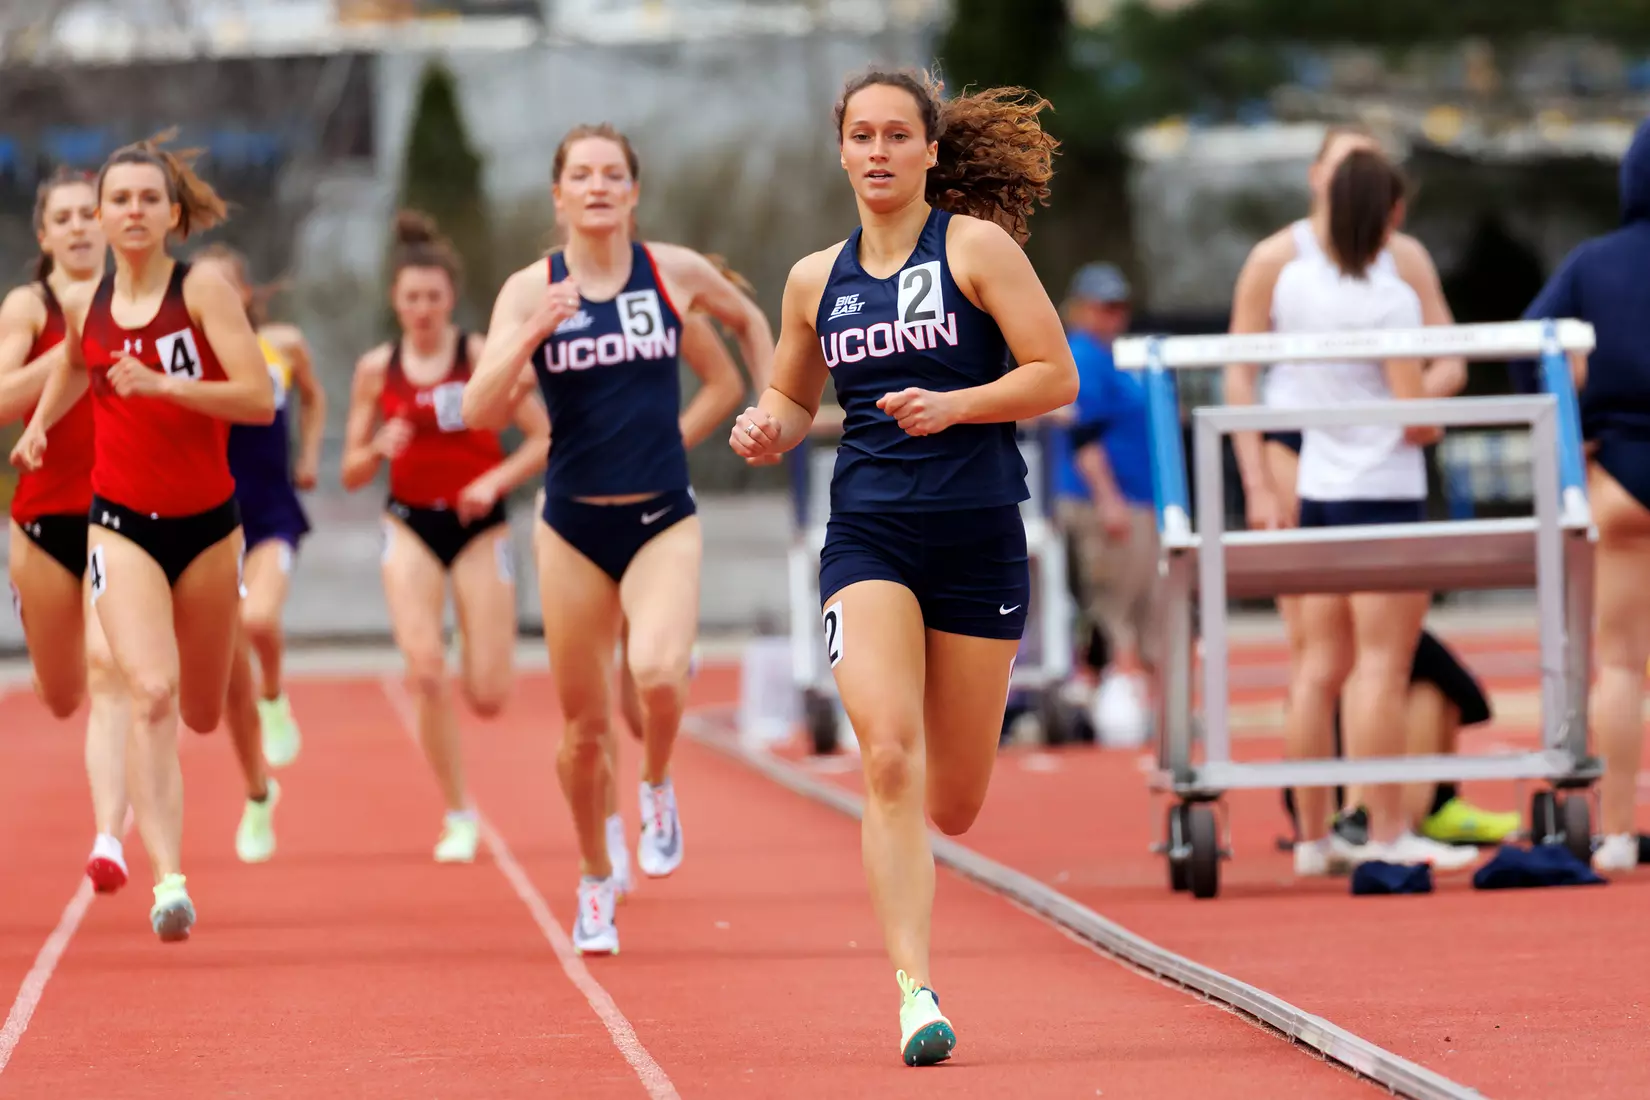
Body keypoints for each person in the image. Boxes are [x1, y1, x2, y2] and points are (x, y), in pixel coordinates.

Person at [728, 68, 1076, 1066]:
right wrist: (767, 426)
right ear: (840, 150)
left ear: (930, 150)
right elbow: (793, 399)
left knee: (953, 799)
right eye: (861, 135)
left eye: (896, 135)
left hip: (977, 537)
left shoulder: (975, 249)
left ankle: (925, 786)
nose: (878, 151)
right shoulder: (811, 279)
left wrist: (956, 403)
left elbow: (1057, 374)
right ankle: (914, 988)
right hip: (870, 537)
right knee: (885, 754)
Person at [462, 122, 774, 956]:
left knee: (659, 675)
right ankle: (596, 876)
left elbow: (747, 320)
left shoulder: (670, 273)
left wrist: (776, 410)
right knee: (583, 728)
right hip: (571, 526)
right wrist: (532, 335)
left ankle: (660, 782)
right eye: (581, 175)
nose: (598, 187)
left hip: (663, 515)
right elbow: (478, 411)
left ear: (634, 192)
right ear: (559, 195)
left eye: (613, 175)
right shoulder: (531, 289)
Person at [11, 132, 277, 941]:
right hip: (118, 523)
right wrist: (38, 429)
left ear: (171, 214)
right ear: (99, 213)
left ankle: (252, 772)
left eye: (146, 200)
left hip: (206, 527)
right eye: (118, 200)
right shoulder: (84, 302)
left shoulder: (202, 293)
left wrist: (167, 386)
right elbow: (73, 370)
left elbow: (259, 400)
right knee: (148, 693)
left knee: (199, 707)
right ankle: (169, 880)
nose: (131, 212)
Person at [1222, 124, 1513, 849]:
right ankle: (1359, 826)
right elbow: (1239, 374)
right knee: (1342, 658)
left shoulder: (1389, 267)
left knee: (1338, 661)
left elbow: (1447, 356)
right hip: (1332, 453)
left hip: (1334, 449)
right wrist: (1258, 480)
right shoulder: (1282, 262)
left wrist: (1426, 390)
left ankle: (1338, 827)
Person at [341, 211, 550, 863]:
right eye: (411, 297)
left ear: (450, 299)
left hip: (478, 526)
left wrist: (495, 482)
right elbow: (349, 472)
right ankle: (458, 812)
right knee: (425, 673)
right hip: (408, 522)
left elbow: (544, 436)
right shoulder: (377, 369)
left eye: (433, 296)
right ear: (395, 302)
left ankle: (470, 629)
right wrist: (375, 446)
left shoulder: (480, 354)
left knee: (487, 696)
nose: (423, 308)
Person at [1516, 117, 1650, 873]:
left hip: (1621, 478)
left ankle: (1623, 832)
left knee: (1623, 665)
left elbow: (1531, 355)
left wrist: (1581, 431)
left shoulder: (1593, 264)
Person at [602, 253, 757, 901]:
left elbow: (723, 383)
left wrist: (668, 440)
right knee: (603, 706)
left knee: (648, 691)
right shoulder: (545, 297)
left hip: (655, 504)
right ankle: (606, 834)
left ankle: (654, 770)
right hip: (579, 515)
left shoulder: (659, 300)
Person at [0, 167, 135, 893]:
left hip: (120, 514)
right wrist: (73, 350)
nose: (83, 225)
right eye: (67, 216)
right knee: (61, 692)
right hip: (43, 517)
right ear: (45, 233)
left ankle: (108, 838)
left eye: (93, 212)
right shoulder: (29, 304)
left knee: (112, 673)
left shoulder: (140, 299)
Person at [194, 244, 324, 772]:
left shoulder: (282, 345)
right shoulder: (186, 355)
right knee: (224, 668)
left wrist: (310, 454)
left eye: (227, 286)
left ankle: (273, 698)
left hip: (271, 508)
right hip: (209, 513)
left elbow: (314, 398)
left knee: (260, 619)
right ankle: (254, 782)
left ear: (245, 293)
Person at [1048, 262, 1160, 743]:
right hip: (1107, 504)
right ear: (1080, 308)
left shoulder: (1113, 356)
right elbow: (1083, 434)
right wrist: (1108, 498)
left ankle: (1139, 705)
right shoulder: (1085, 356)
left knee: (1138, 605)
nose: (1114, 315)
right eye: (1103, 305)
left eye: (1120, 305)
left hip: (1136, 498)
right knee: (1112, 606)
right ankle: (1116, 707)